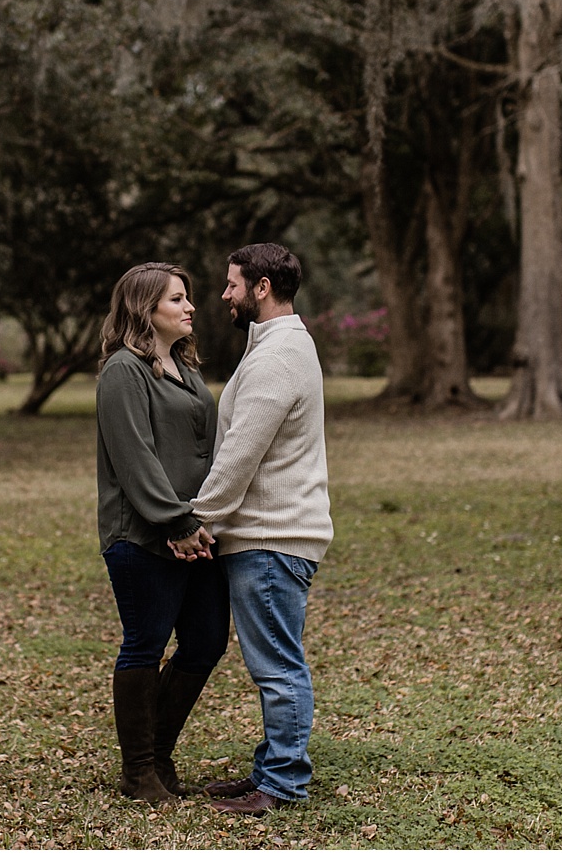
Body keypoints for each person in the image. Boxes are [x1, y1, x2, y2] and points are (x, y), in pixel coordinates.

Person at [171, 242, 331, 817]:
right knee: (274, 660)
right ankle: (270, 769)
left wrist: (197, 519)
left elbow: (240, 453)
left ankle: (283, 783)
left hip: (273, 536)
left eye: (232, 284)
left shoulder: (278, 354)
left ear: (261, 287)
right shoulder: (277, 346)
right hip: (270, 533)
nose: (224, 295)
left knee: (277, 665)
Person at [94, 262, 228, 803]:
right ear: (144, 309)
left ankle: (159, 756)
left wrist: (200, 521)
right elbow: (135, 457)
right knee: (145, 644)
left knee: (205, 641)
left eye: (188, 298)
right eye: (177, 299)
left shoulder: (186, 370)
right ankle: (139, 772)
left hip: (196, 532)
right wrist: (174, 521)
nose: (190, 306)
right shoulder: (123, 371)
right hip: (143, 537)